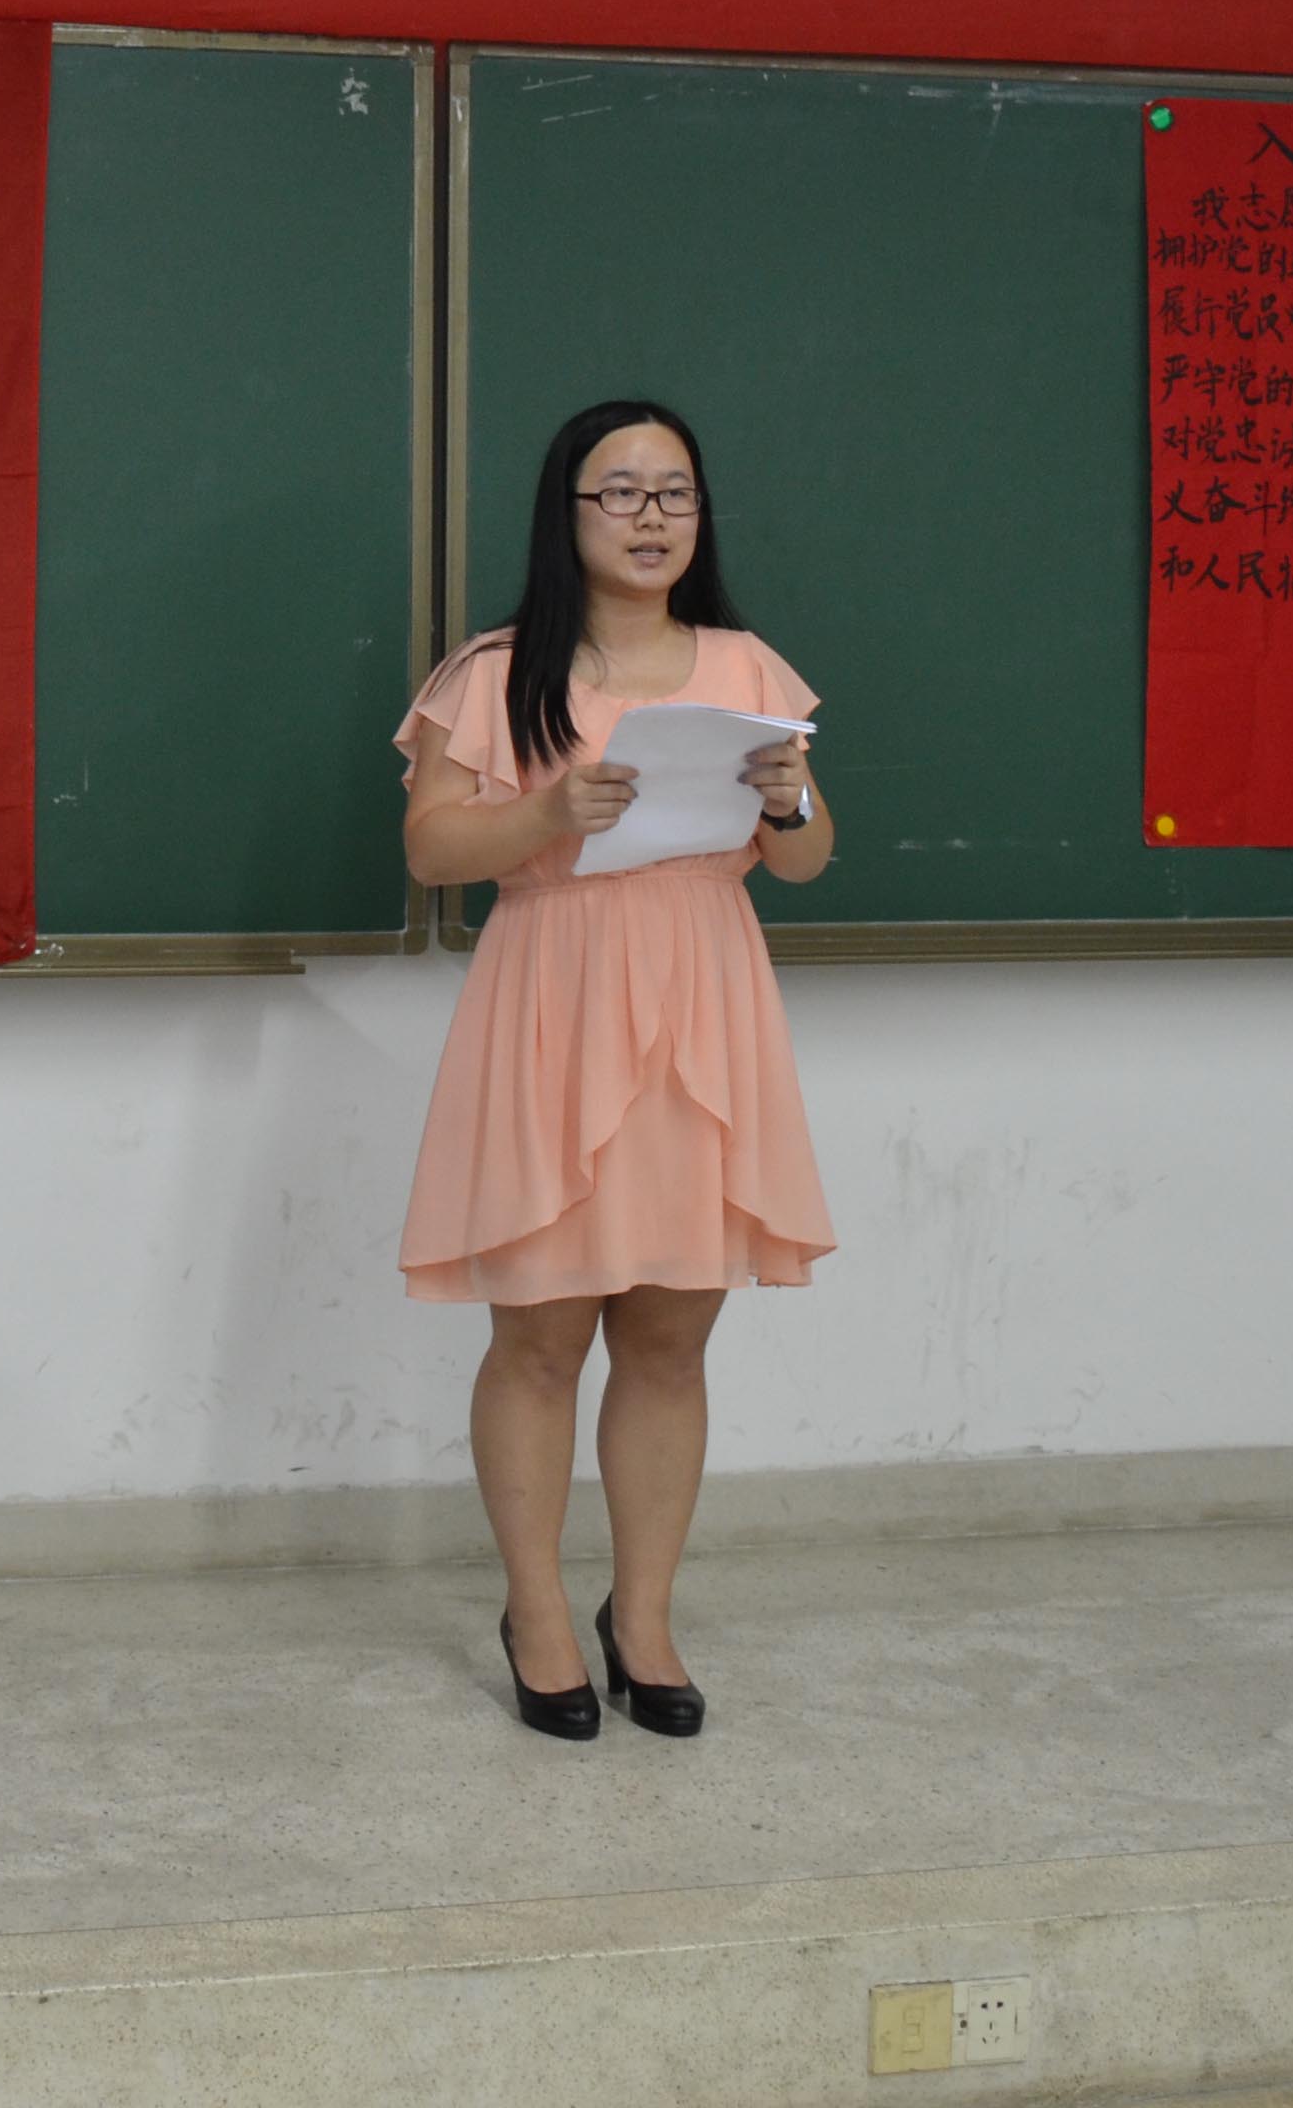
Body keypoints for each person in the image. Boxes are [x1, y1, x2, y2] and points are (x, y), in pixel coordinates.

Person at [395, 398, 838, 1743]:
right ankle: (536, 1612)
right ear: (568, 512)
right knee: (539, 1332)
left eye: (675, 492)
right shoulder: (496, 670)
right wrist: (545, 810)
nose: (653, 516)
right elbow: (430, 850)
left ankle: (642, 1616)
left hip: (704, 1000)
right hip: (558, 997)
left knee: (671, 1334)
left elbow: (806, 860)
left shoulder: (746, 665)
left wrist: (786, 802)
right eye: (623, 492)